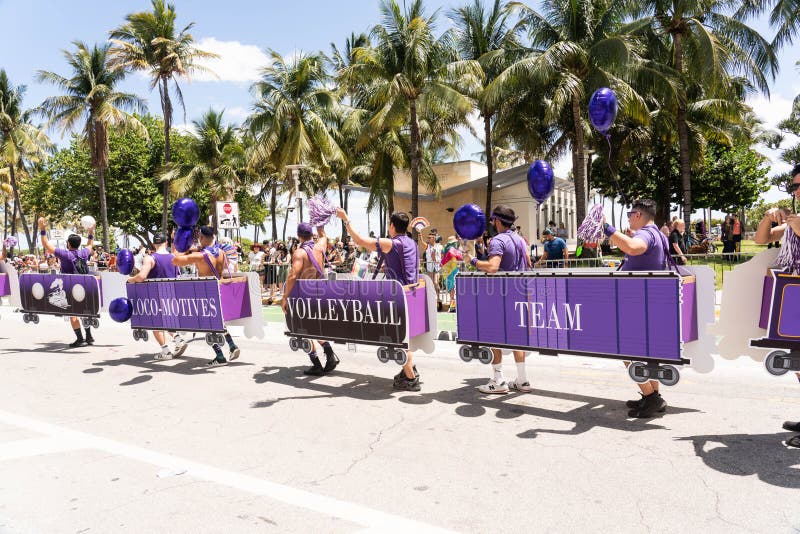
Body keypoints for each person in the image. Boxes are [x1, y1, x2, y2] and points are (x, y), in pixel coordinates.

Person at [336, 208, 421, 391]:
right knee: (404, 337)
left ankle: (411, 378)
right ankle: (409, 370)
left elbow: (359, 241)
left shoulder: (391, 243)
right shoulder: (412, 243)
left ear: (392, 226)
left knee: (398, 339)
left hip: (398, 296)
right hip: (412, 293)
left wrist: (346, 219)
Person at [602, 199, 670, 418]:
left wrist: (606, 227)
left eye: (630, 213)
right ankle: (653, 396)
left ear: (639, 215)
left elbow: (633, 247)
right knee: (647, 354)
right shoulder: (658, 233)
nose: (629, 217)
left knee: (625, 350)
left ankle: (651, 397)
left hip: (638, 303)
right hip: (647, 302)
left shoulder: (647, 234)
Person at [754, 163, 800, 448]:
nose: (797, 191)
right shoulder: (793, 223)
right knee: (798, 363)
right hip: (793, 299)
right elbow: (761, 239)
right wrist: (767, 218)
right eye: (795, 186)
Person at [463, 205, 532, 394]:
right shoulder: (520, 240)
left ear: (498, 221)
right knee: (518, 337)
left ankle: (498, 380)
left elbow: (493, 267)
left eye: (493, 220)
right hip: (521, 294)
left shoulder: (497, 241)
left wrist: (473, 261)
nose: (492, 223)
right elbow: (528, 263)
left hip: (501, 295)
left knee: (493, 336)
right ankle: (523, 380)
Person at [171, 226, 241, 367]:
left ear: (202, 238)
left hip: (206, 291)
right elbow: (206, 250)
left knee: (206, 325)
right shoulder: (221, 252)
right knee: (219, 322)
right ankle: (232, 346)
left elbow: (175, 260)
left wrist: (179, 244)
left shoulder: (201, 255)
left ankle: (220, 356)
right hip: (219, 288)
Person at [282, 223, 339, 375]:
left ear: (299, 236)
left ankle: (317, 364)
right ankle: (329, 354)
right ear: (311, 234)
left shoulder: (300, 253)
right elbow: (324, 237)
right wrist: (321, 225)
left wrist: (285, 297)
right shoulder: (320, 247)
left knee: (302, 330)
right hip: (319, 291)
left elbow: (293, 275)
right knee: (313, 328)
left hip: (304, 294)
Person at [126, 233, 188, 360]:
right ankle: (178, 339)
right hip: (171, 294)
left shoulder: (150, 258)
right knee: (167, 319)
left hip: (155, 295)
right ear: (165, 243)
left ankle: (166, 351)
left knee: (155, 323)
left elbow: (142, 276)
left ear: (154, 244)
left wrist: (131, 279)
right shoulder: (174, 257)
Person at [37, 217, 96, 348]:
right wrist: (91, 231)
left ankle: (80, 339)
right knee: (84, 311)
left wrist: (42, 229)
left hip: (70, 287)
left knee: (73, 313)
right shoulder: (84, 253)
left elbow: (46, 245)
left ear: (68, 244)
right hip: (84, 286)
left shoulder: (65, 254)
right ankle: (89, 336)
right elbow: (91, 244)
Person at [419, 230, 441, 294]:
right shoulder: (427, 246)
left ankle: (438, 298)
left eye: (429, 238)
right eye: (428, 238)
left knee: (436, 282)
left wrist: (435, 258)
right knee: (430, 283)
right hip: (429, 268)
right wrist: (420, 234)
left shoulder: (439, 246)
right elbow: (421, 242)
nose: (428, 239)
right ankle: (432, 297)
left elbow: (441, 256)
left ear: (434, 238)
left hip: (437, 267)